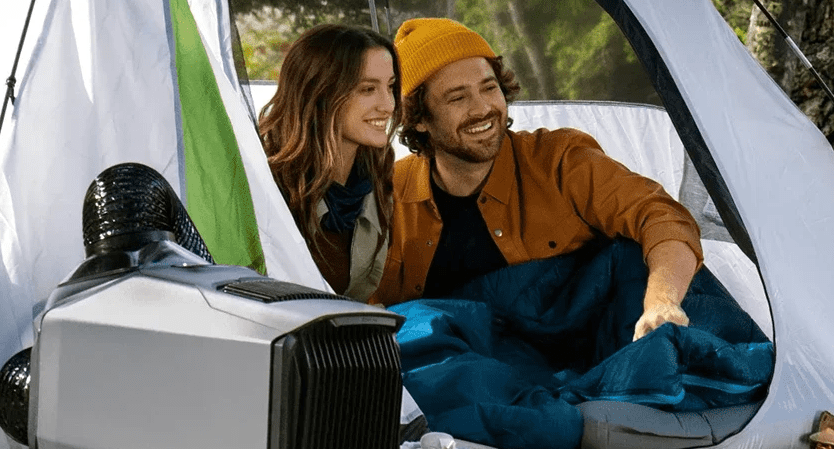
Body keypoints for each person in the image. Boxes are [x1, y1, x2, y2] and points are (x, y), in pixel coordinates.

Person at [371, 18, 703, 341]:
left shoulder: (560, 158)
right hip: (471, 358)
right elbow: (360, 302)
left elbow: (660, 216)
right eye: (457, 98)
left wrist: (661, 302)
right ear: (418, 119)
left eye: (489, 88)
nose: (483, 108)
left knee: (640, 268)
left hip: (587, 341)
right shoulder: (386, 196)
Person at [258, 24, 401, 302]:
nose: (388, 105)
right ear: (320, 93)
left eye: (391, 87)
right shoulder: (264, 185)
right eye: (368, 89)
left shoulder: (375, 181)